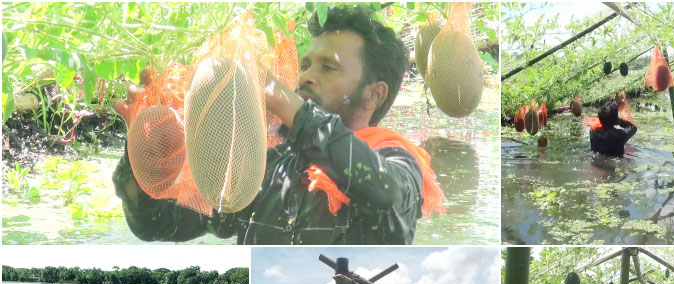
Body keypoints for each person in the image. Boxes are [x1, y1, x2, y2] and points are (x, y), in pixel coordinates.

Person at [112, 5, 445, 244]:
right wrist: (145, 148)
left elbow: (386, 194)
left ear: (373, 95)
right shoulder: (268, 165)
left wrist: (279, 97)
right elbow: (162, 226)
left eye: (328, 68)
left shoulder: (398, 163)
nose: (306, 77)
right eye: (307, 64)